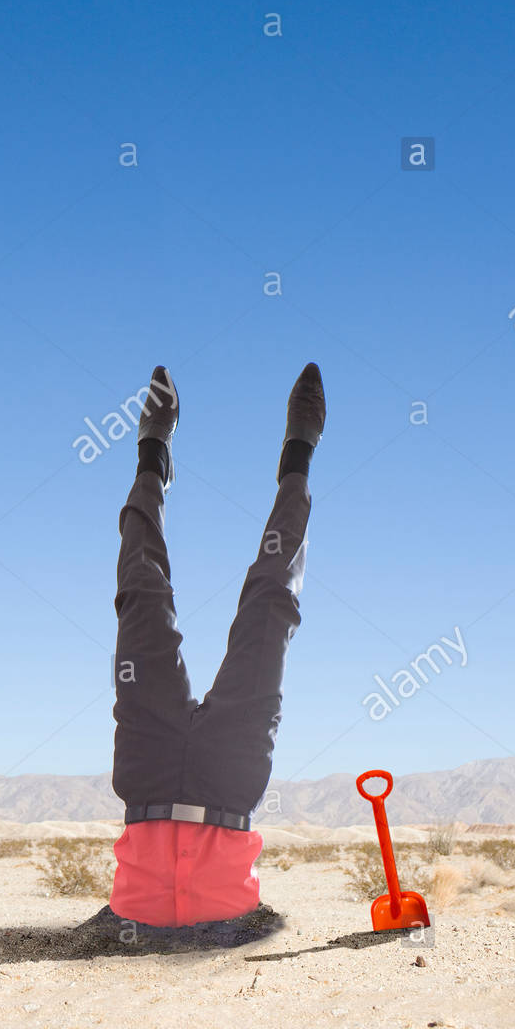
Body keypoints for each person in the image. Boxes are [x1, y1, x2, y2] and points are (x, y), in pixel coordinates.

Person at [108, 363, 326, 927]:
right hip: (230, 769)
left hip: (151, 760)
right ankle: (292, 453)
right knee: (270, 607)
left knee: (141, 592)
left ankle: (157, 454)